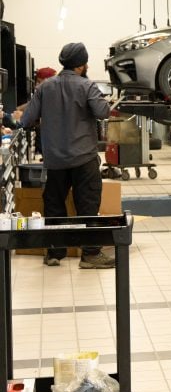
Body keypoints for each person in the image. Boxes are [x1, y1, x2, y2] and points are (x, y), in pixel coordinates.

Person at [19, 42, 114, 268]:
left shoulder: (44, 88)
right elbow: (103, 112)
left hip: (55, 161)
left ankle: (54, 253)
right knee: (88, 206)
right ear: (81, 65)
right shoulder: (87, 85)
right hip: (84, 159)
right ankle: (90, 255)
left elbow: (25, 120)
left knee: (53, 205)